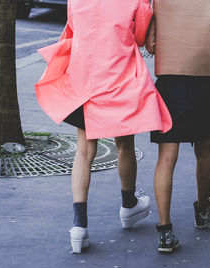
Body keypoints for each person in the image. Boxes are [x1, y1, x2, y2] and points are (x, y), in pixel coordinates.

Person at [35, 0, 172, 253]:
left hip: (84, 80)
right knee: (124, 145)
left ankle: (79, 226)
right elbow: (141, 38)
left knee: (84, 152)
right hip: (119, 80)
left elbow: (73, 29)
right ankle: (128, 205)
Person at [146, 0, 210, 253]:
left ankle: (165, 232)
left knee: (166, 158)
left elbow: (150, 45)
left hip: (169, 83)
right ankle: (203, 209)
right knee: (204, 153)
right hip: (205, 82)